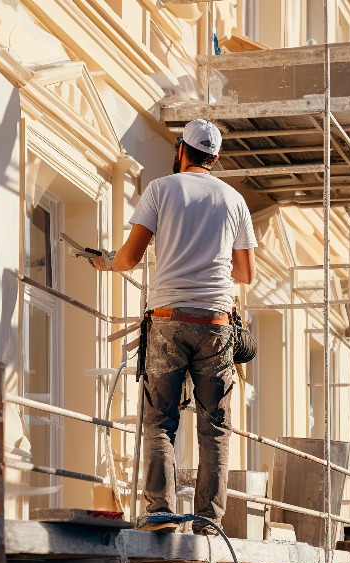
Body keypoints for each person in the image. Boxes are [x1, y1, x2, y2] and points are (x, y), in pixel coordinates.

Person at [92, 119, 257, 534]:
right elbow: (245, 273)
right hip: (216, 323)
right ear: (215, 158)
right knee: (214, 428)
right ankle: (208, 523)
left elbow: (129, 258)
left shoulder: (161, 189)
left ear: (181, 149)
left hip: (168, 319)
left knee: (159, 421)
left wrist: (106, 262)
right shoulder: (234, 200)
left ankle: (162, 512)